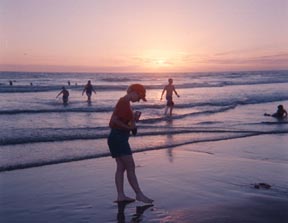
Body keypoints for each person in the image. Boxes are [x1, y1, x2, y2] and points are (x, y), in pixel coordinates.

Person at [107, 84, 153, 203]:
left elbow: (119, 120)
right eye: (139, 97)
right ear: (134, 92)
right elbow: (113, 121)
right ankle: (139, 194)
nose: (138, 100)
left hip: (116, 137)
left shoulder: (125, 103)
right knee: (130, 167)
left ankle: (121, 196)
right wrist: (129, 128)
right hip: (118, 138)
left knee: (121, 167)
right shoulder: (123, 102)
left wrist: (132, 119)